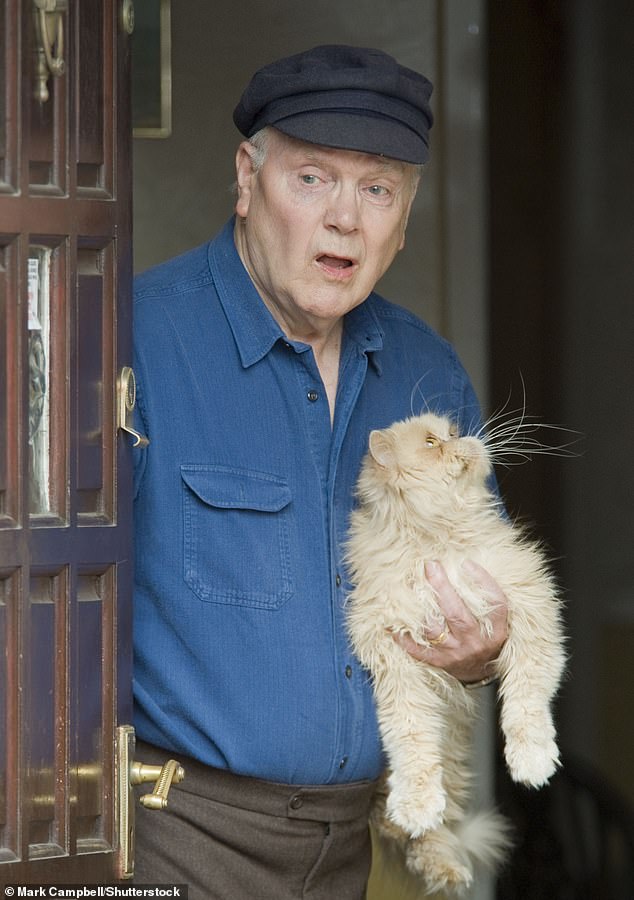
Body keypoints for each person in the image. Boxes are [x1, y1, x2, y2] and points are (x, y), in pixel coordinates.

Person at [131, 44, 508, 900]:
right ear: (247, 179)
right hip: (171, 843)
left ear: (405, 218)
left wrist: (486, 651)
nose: (346, 218)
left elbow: (488, 601)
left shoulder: (428, 374)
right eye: (312, 179)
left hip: (352, 853)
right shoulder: (130, 339)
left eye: (376, 189)